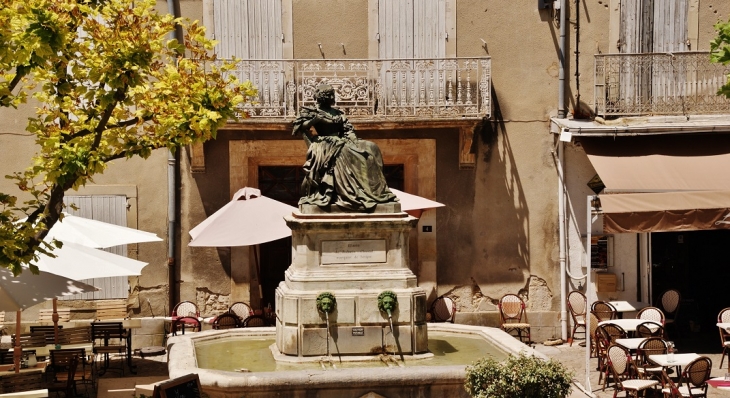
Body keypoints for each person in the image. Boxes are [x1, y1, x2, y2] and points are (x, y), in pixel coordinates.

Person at [292, 84, 397, 211]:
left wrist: (355, 141)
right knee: (350, 154)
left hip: (343, 140)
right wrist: (314, 120)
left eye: (333, 95)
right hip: (325, 143)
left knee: (371, 147)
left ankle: (377, 191)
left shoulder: (337, 113)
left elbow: (348, 129)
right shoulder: (312, 111)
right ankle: (355, 192)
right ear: (324, 97)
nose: (333, 97)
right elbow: (299, 128)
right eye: (330, 95)